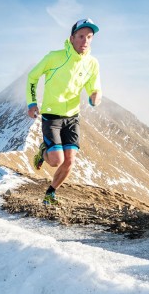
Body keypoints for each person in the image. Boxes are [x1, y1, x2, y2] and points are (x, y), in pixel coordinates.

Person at [26, 18, 102, 205]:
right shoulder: (55, 57)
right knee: (56, 161)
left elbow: (95, 88)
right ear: (72, 38)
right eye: (81, 36)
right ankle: (43, 151)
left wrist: (95, 97)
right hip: (52, 115)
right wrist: (32, 103)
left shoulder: (92, 63)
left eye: (89, 37)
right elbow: (32, 77)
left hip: (73, 116)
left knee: (70, 161)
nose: (85, 41)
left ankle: (50, 194)